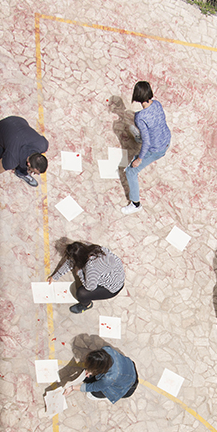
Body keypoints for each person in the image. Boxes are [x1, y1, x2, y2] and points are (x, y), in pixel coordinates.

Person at [0, 116, 49, 212]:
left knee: (21, 157)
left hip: (18, 121)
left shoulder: (43, 144)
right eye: (33, 172)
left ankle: (21, 172)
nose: (34, 173)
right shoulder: (11, 160)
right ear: (29, 163)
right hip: (0, 129)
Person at [122, 81, 171, 216]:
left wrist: (139, 159)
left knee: (131, 171)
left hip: (156, 149)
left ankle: (135, 204)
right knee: (144, 134)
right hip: (166, 139)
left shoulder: (140, 117)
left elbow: (147, 142)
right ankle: (139, 137)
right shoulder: (157, 104)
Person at [48, 242, 125, 314]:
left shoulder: (91, 268)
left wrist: (80, 273)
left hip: (112, 288)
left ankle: (87, 305)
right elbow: (70, 262)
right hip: (118, 275)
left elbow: (90, 287)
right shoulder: (97, 249)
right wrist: (55, 276)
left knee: (81, 293)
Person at [64, 347, 138, 403]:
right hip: (128, 368)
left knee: (92, 394)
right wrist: (89, 370)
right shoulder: (106, 350)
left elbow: (93, 387)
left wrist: (72, 388)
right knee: (87, 378)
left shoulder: (110, 378)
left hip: (128, 387)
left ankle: (106, 396)